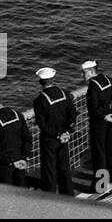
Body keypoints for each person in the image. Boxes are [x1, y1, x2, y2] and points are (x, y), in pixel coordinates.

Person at [32, 67, 75, 196]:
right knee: (64, 168)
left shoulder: (39, 101)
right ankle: (68, 194)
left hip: (50, 139)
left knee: (49, 170)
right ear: (53, 79)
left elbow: (42, 124)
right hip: (64, 136)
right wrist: (67, 131)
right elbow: (72, 114)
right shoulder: (64, 94)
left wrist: (56, 135)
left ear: (40, 81)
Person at [82, 60, 112, 192]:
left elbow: (93, 107)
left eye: (84, 72)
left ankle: (101, 185)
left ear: (91, 71)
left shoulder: (93, 86)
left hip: (99, 123)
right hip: (110, 119)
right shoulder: (107, 79)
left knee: (99, 154)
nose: (82, 75)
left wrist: (103, 115)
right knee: (111, 149)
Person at [0, 90, 31, 187]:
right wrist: (24, 157)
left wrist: (11, 161)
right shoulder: (18, 115)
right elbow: (28, 138)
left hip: (5, 168)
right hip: (21, 162)